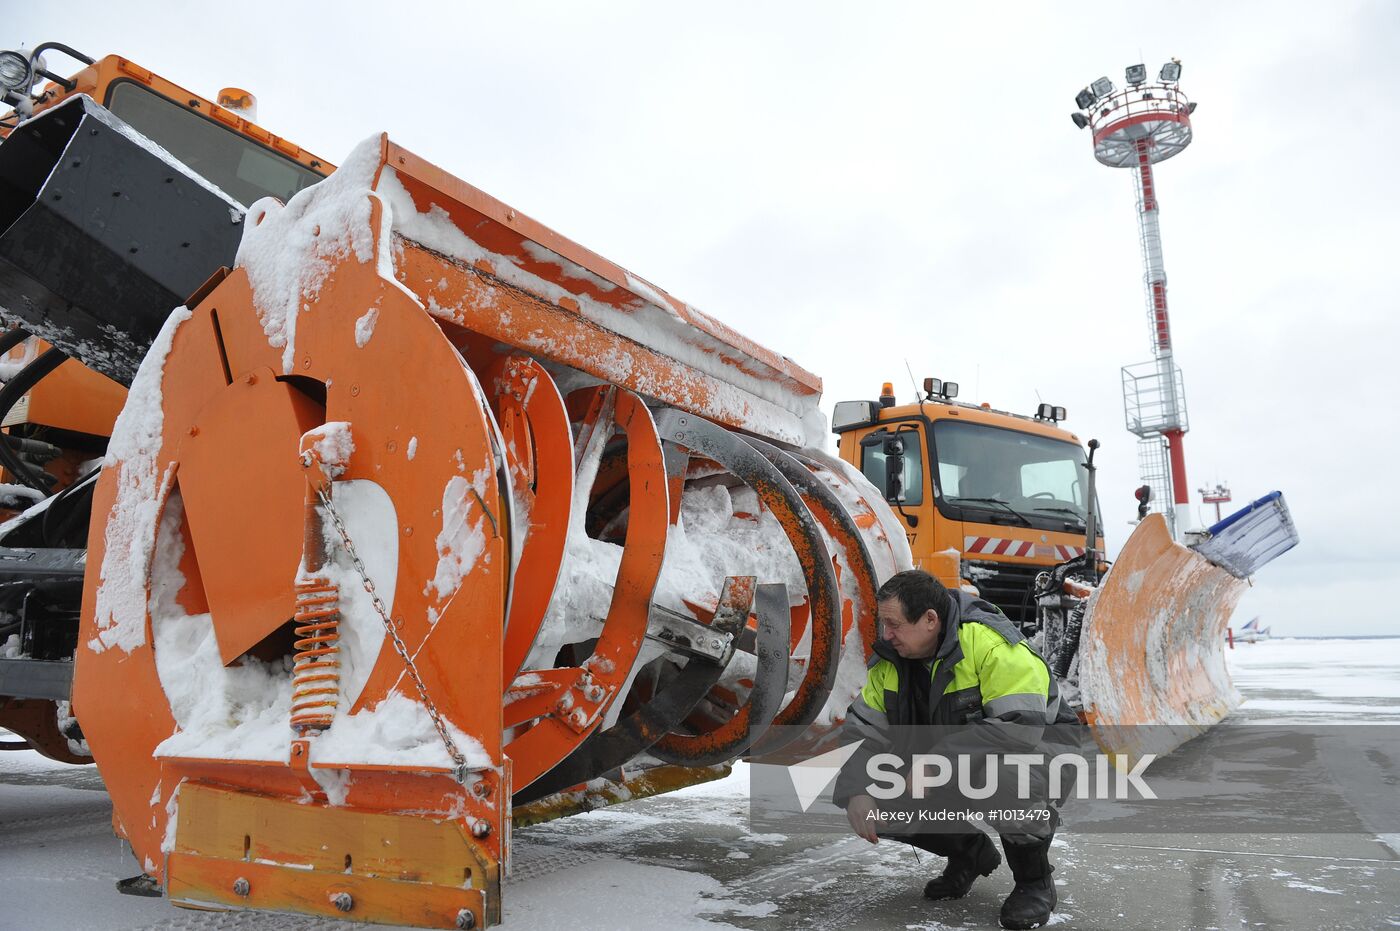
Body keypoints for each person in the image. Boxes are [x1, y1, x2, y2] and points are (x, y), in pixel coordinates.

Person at [831, 569, 1076, 931]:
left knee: (1006, 780)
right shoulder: (892, 662)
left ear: (930, 619)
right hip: (952, 760)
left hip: (1039, 751)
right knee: (872, 795)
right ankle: (969, 853)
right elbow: (863, 732)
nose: (886, 635)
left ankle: (1033, 882)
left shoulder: (991, 644)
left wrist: (937, 761)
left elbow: (1020, 726)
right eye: (884, 625)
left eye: (894, 625)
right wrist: (855, 790)